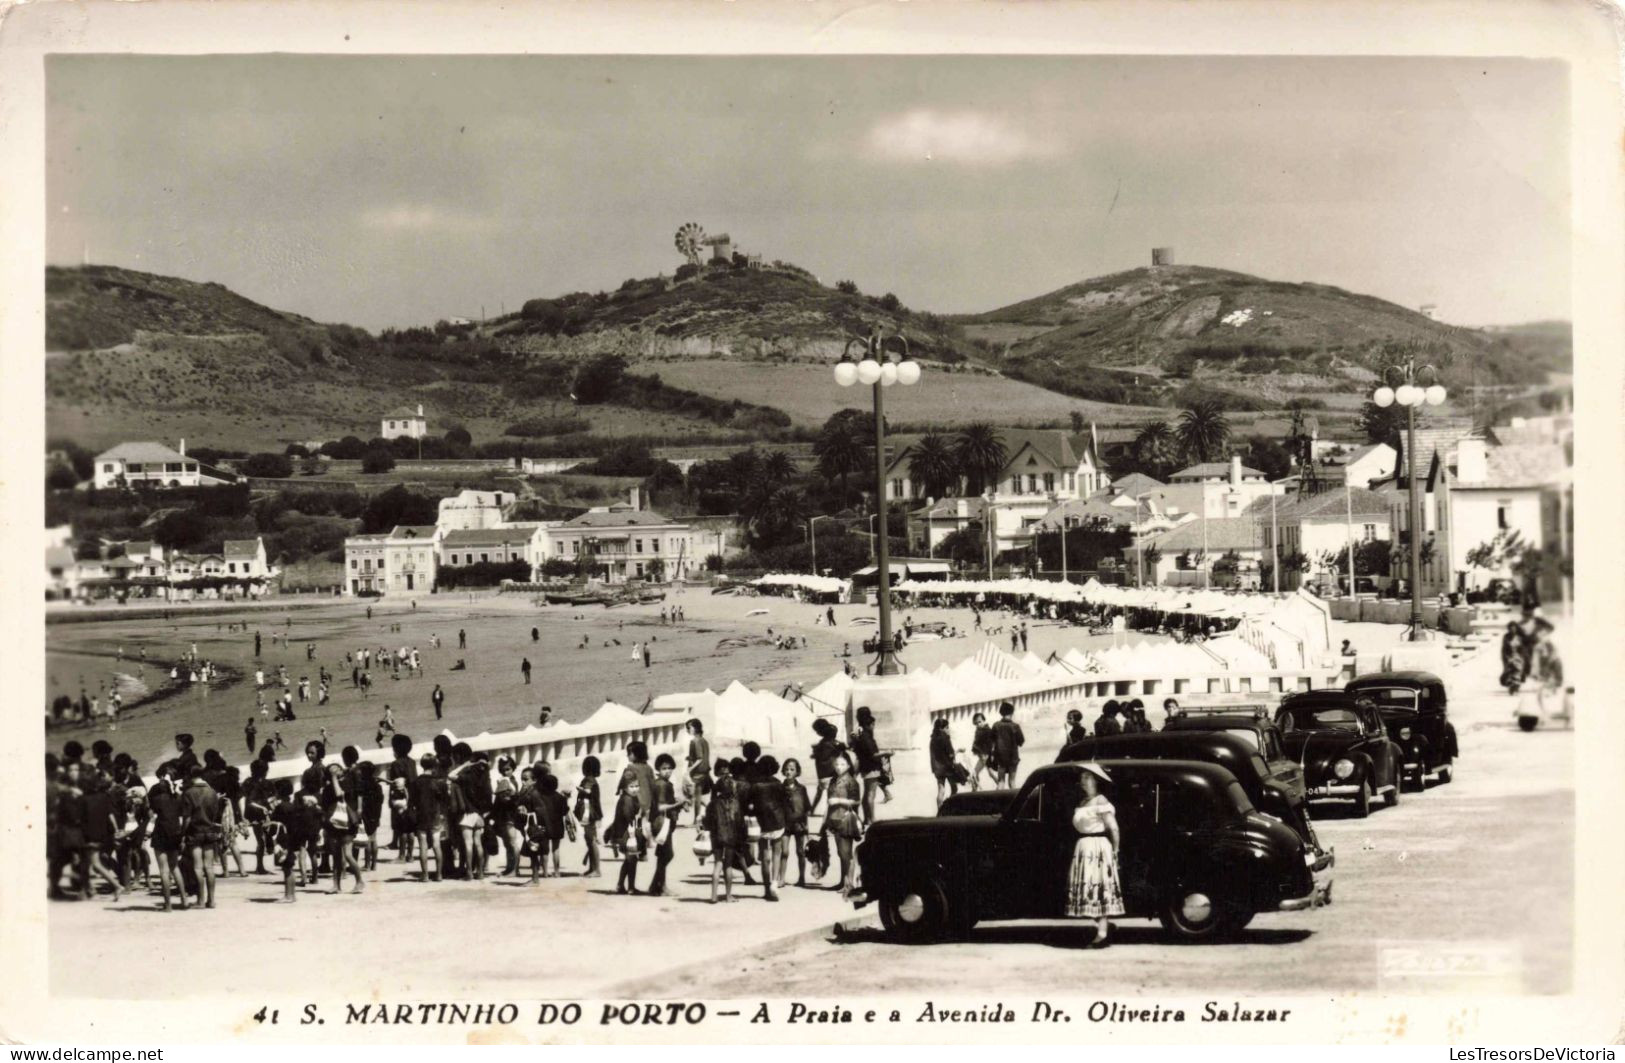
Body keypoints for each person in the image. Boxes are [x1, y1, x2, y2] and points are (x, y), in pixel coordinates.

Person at [1066, 764, 1125, 947]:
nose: (1082, 781)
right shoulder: (1083, 802)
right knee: (1086, 890)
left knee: (1098, 887)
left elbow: (1114, 828)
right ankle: (1105, 926)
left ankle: (1102, 932)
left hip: (1098, 848)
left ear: (1095, 780)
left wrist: (1115, 851)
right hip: (1084, 847)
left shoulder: (1101, 801)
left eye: (1087, 777)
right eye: (1082, 778)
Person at [703, 759, 747, 903]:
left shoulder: (713, 803)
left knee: (717, 864)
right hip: (730, 837)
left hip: (717, 837)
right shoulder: (736, 804)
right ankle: (728, 895)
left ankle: (713, 896)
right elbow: (740, 823)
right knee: (727, 865)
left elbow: (707, 822)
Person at [179, 764, 223, 908]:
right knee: (209, 868)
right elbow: (216, 814)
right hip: (210, 831)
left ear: (190, 776)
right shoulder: (212, 792)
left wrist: (182, 834)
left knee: (198, 868)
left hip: (195, 832)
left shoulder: (189, 793)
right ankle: (211, 900)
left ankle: (200, 900)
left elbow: (187, 818)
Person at [823, 752, 863, 897]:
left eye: (842, 764)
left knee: (846, 853)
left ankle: (848, 883)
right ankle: (842, 881)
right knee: (841, 853)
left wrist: (839, 801)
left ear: (848, 766)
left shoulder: (851, 781)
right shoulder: (833, 780)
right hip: (834, 818)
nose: (839, 767)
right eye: (836, 764)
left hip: (846, 819)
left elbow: (856, 801)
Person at [322, 755, 364, 894]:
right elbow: (325, 805)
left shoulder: (347, 782)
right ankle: (336, 885)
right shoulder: (327, 789)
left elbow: (339, 794)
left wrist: (334, 779)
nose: (334, 770)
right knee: (336, 856)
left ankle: (359, 881)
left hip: (347, 822)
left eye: (336, 768)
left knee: (347, 854)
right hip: (334, 823)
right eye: (331, 771)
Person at [648, 754, 685, 897]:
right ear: (658, 769)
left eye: (670, 768)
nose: (667, 771)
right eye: (664, 768)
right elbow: (660, 807)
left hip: (662, 822)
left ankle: (655, 885)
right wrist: (678, 804)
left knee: (663, 855)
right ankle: (660, 886)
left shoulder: (661, 783)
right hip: (662, 822)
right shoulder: (662, 785)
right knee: (667, 854)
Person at [410, 753, 446, 882]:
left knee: (423, 846)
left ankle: (424, 875)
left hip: (421, 816)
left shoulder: (416, 782)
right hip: (436, 816)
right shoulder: (439, 781)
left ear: (421, 764)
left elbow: (412, 802)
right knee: (437, 845)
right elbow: (443, 801)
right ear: (435, 765)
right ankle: (439, 874)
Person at [607, 773, 644, 895]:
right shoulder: (627, 800)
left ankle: (621, 885)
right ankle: (630, 887)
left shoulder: (629, 798)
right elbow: (629, 816)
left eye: (637, 786)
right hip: (626, 834)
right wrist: (638, 816)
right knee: (632, 860)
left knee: (629, 861)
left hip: (625, 833)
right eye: (632, 786)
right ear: (624, 788)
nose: (635, 789)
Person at [850, 707, 885, 826]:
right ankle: (872, 818)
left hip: (863, 763)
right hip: (869, 764)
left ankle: (867, 818)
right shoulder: (864, 733)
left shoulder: (858, 731)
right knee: (870, 793)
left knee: (867, 793)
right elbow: (872, 752)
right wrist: (887, 753)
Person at [574, 757, 603, 879]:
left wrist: (581, 789)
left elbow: (588, 791)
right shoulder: (593, 779)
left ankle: (596, 869)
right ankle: (592, 868)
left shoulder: (589, 780)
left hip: (589, 813)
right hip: (592, 813)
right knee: (590, 840)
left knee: (591, 841)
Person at [685, 719, 712, 827]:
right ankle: (710, 810)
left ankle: (696, 821)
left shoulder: (695, 741)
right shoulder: (703, 740)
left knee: (695, 797)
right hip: (705, 773)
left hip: (698, 774)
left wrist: (689, 769)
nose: (687, 730)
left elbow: (699, 759)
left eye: (689, 728)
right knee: (698, 797)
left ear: (695, 728)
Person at [991, 701, 1025, 788]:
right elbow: (1021, 741)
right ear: (1012, 713)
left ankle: (999, 801)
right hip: (1013, 758)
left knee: (1001, 782)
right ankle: (1014, 800)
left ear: (1001, 712)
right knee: (1012, 782)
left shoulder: (996, 726)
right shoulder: (1015, 726)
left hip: (1000, 758)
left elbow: (991, 740)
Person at [929, 718, 959, 807]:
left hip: (937, 768)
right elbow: (951, 754)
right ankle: (951, 807)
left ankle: (940, 811)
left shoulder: (933, 738)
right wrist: (959, 751)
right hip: (948, 767)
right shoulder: (945, 738)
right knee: (954, 788)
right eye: (947, 727)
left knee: (941, 790)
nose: (948, 729)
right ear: (941, 728)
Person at [970, 712, 994, 791]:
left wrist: (984, 754)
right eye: (976, 723)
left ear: (984, 720)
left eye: (980, 722)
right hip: (983, 755)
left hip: (985, 755)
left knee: (975, 773)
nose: (978, 724)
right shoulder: (979, 731)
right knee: (990, 774)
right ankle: (1000, 786)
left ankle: (974, 790)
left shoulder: (986, 731)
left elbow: (989, 744)